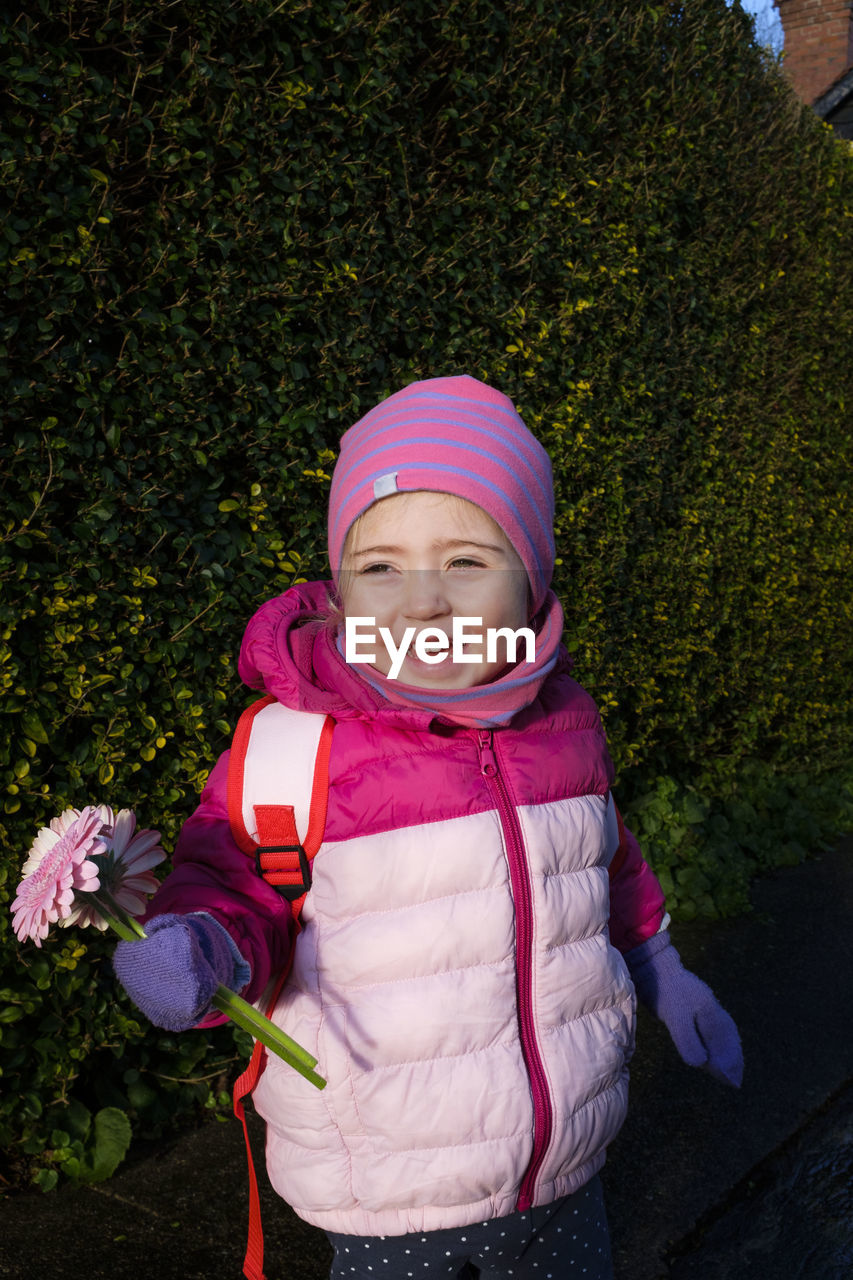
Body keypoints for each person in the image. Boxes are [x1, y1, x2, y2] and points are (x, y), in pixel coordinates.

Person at [114, 375, 742, 1280]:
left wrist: (661, 968)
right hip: (392, 1201)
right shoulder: (298, 751)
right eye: (378, 568)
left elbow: (601, 859)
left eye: (464, 562)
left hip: (567, 1163)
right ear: (336, 591)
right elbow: (235, 876)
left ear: (532, 583)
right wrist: (204, 945)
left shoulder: (562, 721)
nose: (420, 605)